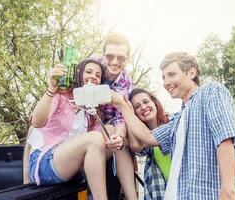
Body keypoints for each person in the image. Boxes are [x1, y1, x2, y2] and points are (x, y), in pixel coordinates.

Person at [111, 52, 235, 200]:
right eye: (164, 77)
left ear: (191, 73)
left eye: (171, 74)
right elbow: (147, 138)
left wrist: (228, 190)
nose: (166, 82)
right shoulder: (178, 119)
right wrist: (121, 105)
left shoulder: (211, 92)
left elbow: (225, 139)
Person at [26, 57, 133, 200]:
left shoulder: (93, 110)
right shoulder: (61, 95)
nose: (93, 77)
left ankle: (130, 196)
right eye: (88, 72)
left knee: (112, 132)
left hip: (73, 167)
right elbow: (36, 123)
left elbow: (101, 143)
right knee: (94, 138)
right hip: (46, 164)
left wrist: (119, 136)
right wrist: (52, 87)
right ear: (79, 74)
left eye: (97, 76)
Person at [101, 33, 137, 200]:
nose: (115, 62)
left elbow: (120, 117)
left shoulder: (127, 84)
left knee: (120, 143)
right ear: (103, 55)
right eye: (110, 56)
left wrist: (120, 137)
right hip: (84, 124)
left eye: (121, 58)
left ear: (127, 59)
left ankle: (131, 197)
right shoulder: (91, 67)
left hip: (108, 127)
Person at [128, 88, 172, 200]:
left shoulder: (172, 123)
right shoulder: (143, 140)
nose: (143, 107)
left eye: (146, 102)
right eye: (137, 106)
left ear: (155, 103)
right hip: (160, 193)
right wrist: (128, 112)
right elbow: (135, 146)